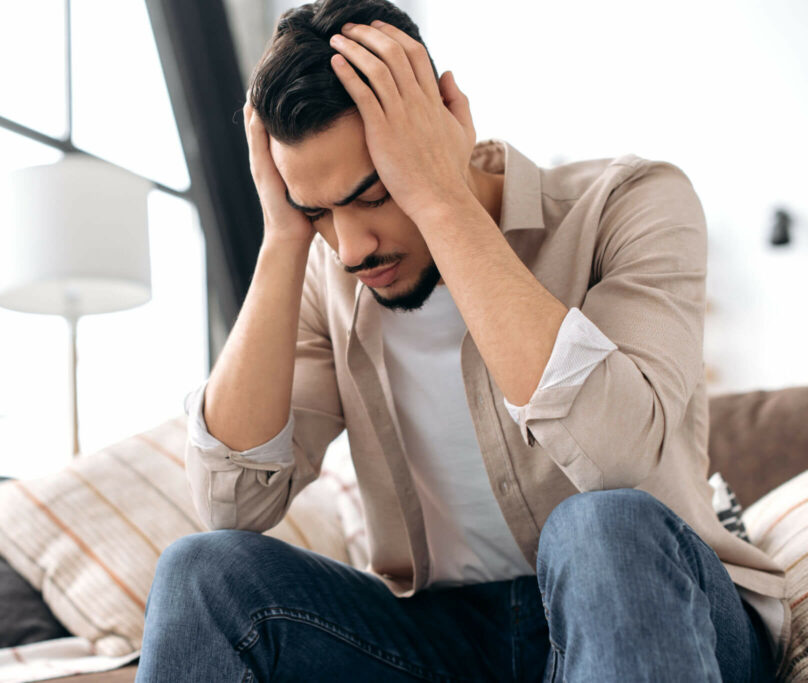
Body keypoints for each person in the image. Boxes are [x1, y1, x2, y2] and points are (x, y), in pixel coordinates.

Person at [136, 1, 787, 680]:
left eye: (375, 192)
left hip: (651, 599)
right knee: (202, 571)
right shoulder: (326, 273)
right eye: (318, 211)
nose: (352, 247)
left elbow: (619, 458)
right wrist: (282, 238)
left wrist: (442, 200)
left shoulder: (626, 203)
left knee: (599, 527)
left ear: (442, 126)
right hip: (443, 635)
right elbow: (233, 504)